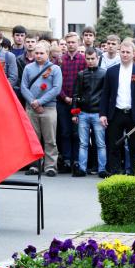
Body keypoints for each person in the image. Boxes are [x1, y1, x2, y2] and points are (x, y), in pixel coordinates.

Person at [99, 41, 135, 175]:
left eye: (128, 52)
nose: (125, 55)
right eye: (123, 52)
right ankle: (115, 173)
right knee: (114, 145)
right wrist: (102, 114)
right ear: (119, 52)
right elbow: (105, 94)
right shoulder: (111, 72)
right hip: (116, 113)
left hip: (134, 115)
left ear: (133, 54)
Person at [21, 41, 63, 177]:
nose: (38, 56)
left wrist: (39, 102)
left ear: (48, 54)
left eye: (41, 53)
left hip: (48, 108)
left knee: (50, 139)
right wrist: (33, 102)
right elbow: (23, 87)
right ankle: (35, 165)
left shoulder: (55, 69)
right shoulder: (28, 68)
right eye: (36, 53)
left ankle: (50, 166)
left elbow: (56, 89)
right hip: (31, 108)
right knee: (34, 138)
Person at [72, 47, 107, 177]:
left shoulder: (104, 74)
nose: (91, 61)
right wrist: (75, 113)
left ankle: (102, 169)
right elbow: (76, 94)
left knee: (100, 143)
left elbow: (106, 95)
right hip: (84, 113)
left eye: (93, 58)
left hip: (98, 113)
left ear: (98, 58)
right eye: (88, 59)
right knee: (83, 143)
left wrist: (104, 113)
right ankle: (82, 168)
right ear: (85, 59)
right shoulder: (81, 74)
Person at [57, 32, 87, 173]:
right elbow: (56, 82)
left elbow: (85, 82)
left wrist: (75, 99)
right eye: (68, 42)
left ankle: (76, 160)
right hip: (63, 101)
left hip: (77, 103)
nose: (70, 44)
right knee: (64, 132)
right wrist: (64, 97)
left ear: (78, 43)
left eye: (73, 42)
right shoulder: (60, 60)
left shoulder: (83, 60)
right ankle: (67, 160)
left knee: (76, 133)